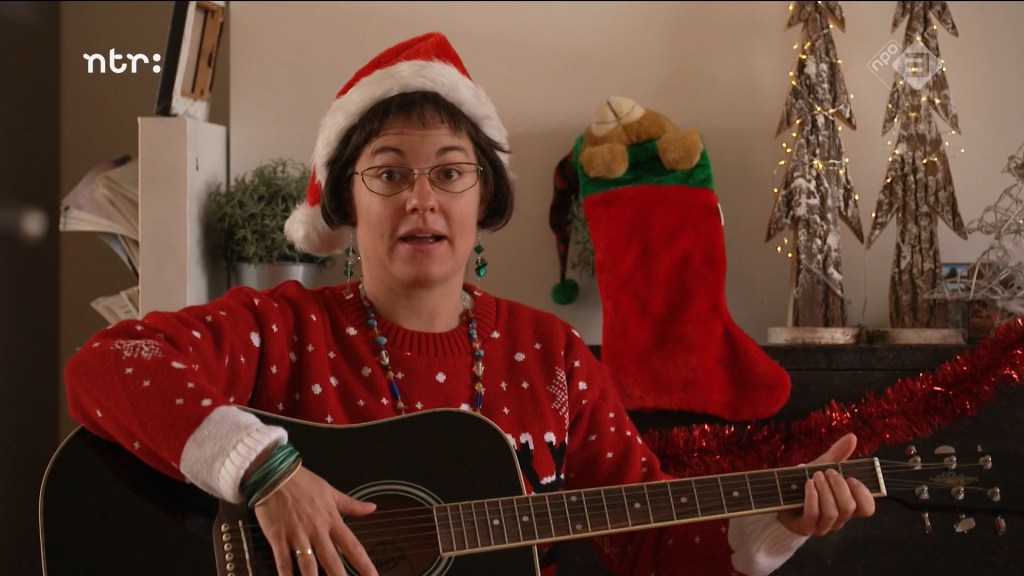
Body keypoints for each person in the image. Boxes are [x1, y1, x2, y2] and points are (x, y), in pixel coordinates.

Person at [64, 31, 874, 576]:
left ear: (482, 196)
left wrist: (777, 522)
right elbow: (106, 363)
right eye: (389, 173)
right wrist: (265, 472)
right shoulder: (284, 329)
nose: (421, 198)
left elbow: (651, 544)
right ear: (346, 200)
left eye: (450, 172)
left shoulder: (552, 357)